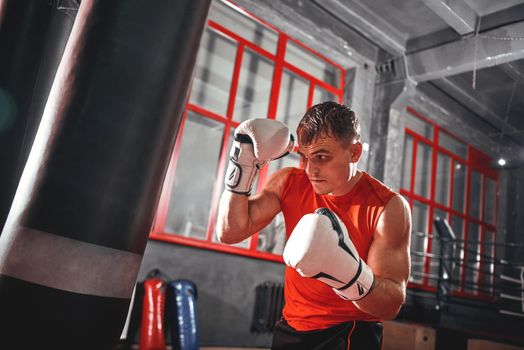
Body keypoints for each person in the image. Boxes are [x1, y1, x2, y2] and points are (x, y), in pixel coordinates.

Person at [216, 101, 411, 350]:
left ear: (355, 153)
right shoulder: (289, 182)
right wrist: (242, 164)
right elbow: (230, 232)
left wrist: (349, 277)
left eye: (321, 157)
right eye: (304, 157)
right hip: (291, 326)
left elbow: (392, 304)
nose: (310, 170)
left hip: (349, 332)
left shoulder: (387, 206)